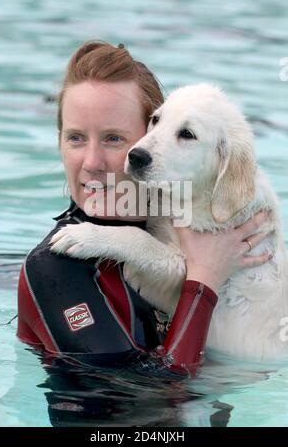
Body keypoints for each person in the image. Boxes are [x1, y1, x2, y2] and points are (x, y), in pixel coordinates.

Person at [17, 40, 271, 375]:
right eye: (76, 138)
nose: (92, 162)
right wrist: (205, 278)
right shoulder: (55, 270)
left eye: (113, 139)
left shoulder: (196, 227)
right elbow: (150, 401)